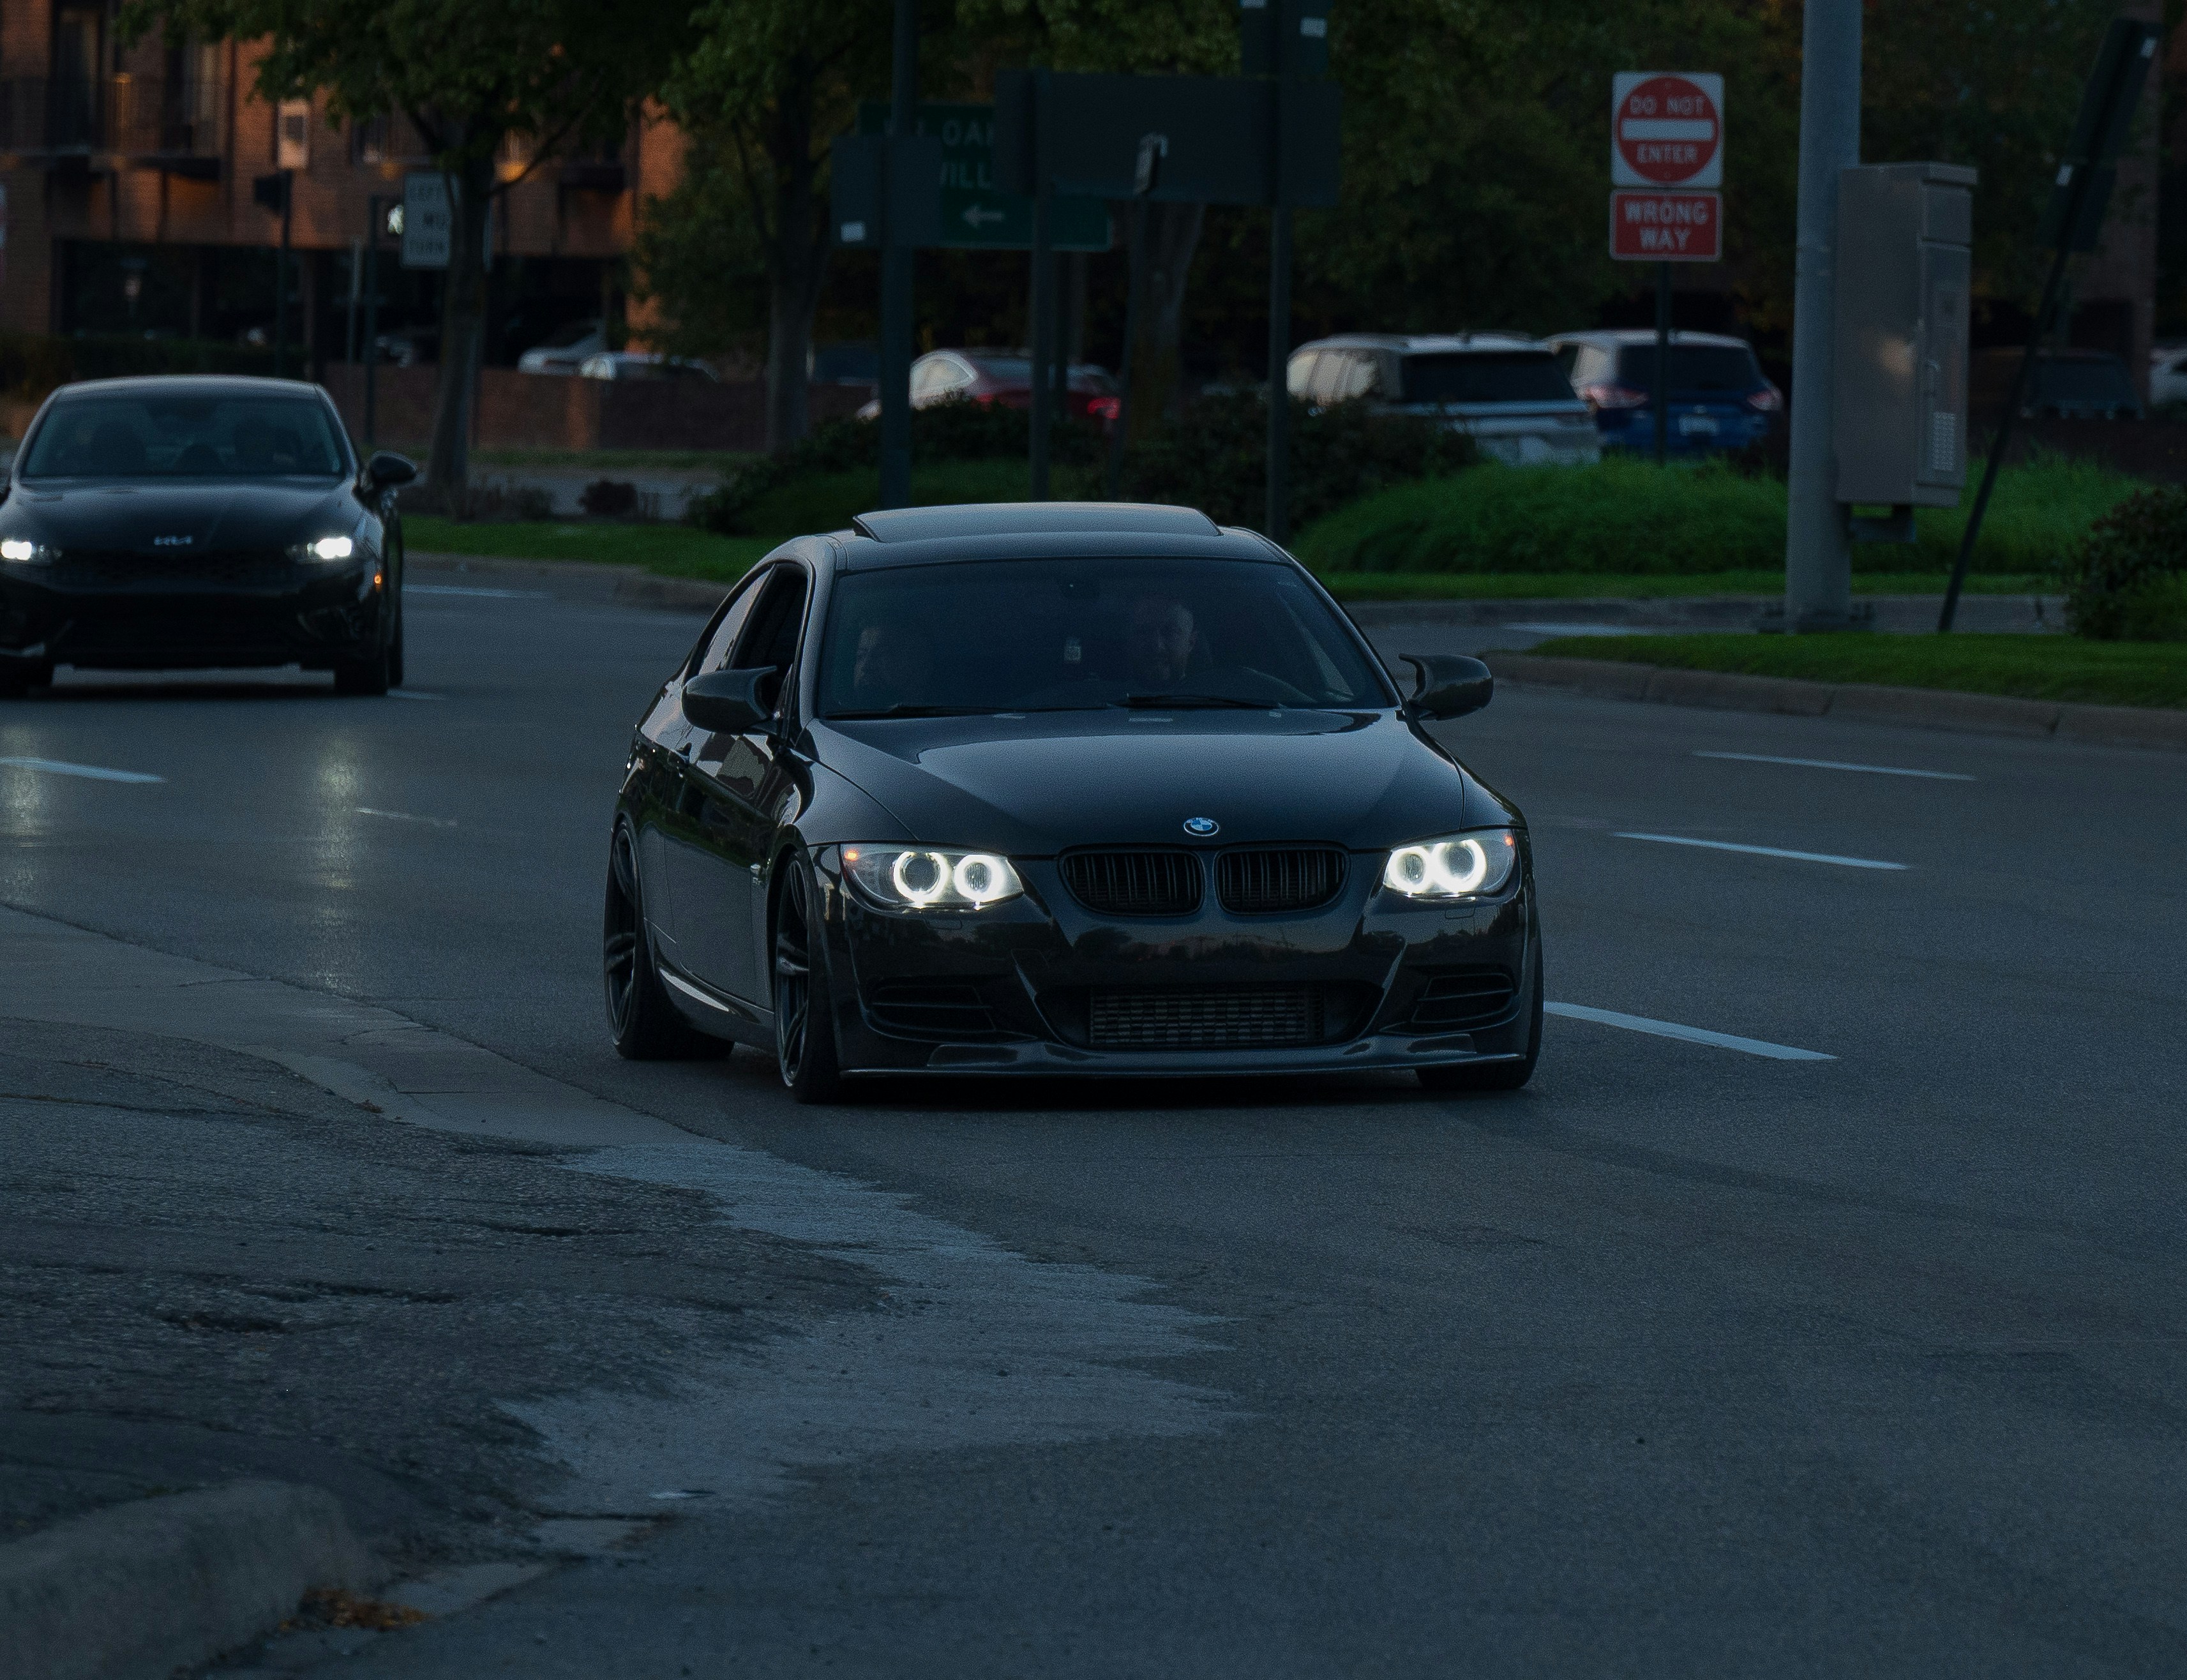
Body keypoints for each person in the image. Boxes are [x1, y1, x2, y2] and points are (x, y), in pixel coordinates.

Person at [850, 620, 935, 710]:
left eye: (881, 655)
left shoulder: (941, 721)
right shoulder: (841, 718)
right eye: (861, 655)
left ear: (919, 666)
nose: (865, 666)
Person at [1123, 592, 1198, 689]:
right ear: (1129, 639)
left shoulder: (1212, 698)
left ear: (1191, 642)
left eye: (1171, 633)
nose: (1157, 646)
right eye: (1144, 632)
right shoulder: (1103, 698)